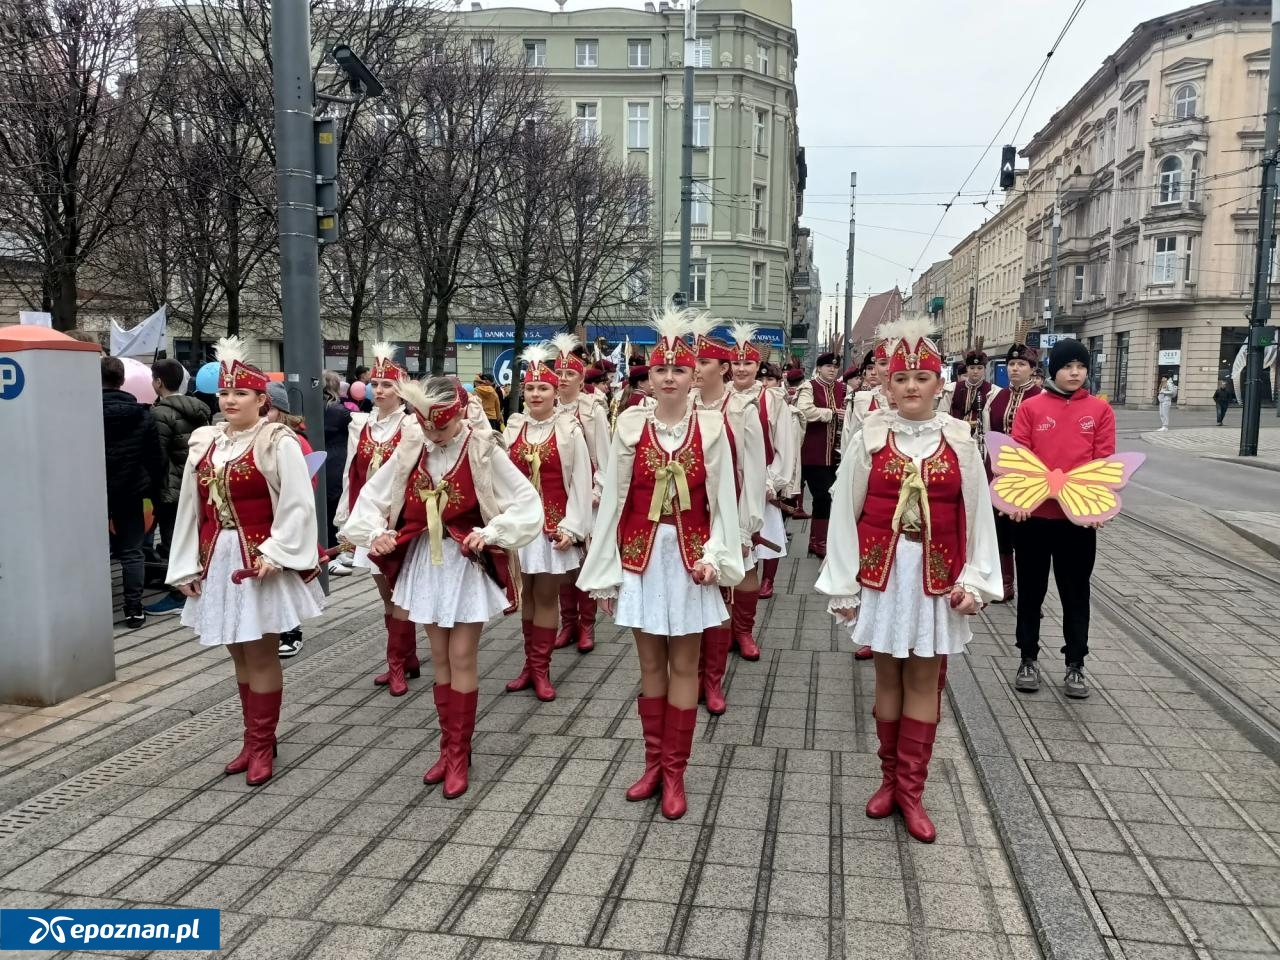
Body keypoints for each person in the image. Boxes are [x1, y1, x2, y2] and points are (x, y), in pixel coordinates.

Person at [817, 320, 1001, 843]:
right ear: (887, 386)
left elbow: (977, 514)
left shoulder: (962, 441)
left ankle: (912, 791)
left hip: (937, 578)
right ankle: (888, 781)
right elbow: (844, 512)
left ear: (939, 383)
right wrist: (845, 585)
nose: (913, 387)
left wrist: (976, 580)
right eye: (902, 378)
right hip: (882, 577)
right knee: (887, 679)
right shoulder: (870, 438)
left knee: (923, 679)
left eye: (923, 377)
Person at [341, 377, 542, 798]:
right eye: (427, 425)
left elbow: (526, 503)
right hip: (426, 565)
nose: (434, 434)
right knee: (440, 657)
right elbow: (372, 498)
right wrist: (376, 532)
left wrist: (492, 532)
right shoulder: (413, 448)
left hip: (465, 565)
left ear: (461, 415)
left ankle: (458, 752)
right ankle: (450, 747)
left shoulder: (482, 449)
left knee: (462, 654)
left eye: (442, 427)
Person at [579, 311, 744, 819]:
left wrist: (717, 557)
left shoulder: (713, 428)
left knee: (683, 666)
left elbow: (724, 503)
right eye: (659, 371)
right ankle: (653, 763)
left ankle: (676, 771)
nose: (669, 377)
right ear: (648, 379)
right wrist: (604, 570)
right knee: (650, 665)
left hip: (691, 559)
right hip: (641, 559)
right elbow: (613, 503)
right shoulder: (629, 426)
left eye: (679, 369)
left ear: (695, 376)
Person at [165, 338, 325, 785]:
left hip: (260, 560)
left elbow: (297, 503)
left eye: (240, 394)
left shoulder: (277, 440)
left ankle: (262, 743)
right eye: (224, 394)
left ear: (261, 401)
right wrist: (185, 565)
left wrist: (277, 551)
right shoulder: (208, 442)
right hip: (219, 559)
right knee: (237, 652)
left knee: (260, 652)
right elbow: (190, 509)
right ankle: (254, 740)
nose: (230, 401)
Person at [1009, 339, 1116, 700]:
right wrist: (1018, 501)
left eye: (1081, 367)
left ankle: (1076, 663)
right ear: (1054, 369)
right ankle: (1027, 657)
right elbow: (1017, 458)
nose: (1074, 373)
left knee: (1075, 592)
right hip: (1034, 517)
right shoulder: (1032, 408)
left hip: (1077, 521)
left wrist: (1096, 509)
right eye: (1068, 366)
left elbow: (1103, 463)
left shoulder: (1099, 411)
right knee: (1031, 590)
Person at [502, 345, 593, 701]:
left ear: (556, 392)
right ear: (522, 391)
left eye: (543, 388)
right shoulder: (513, 429)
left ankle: (541, 669)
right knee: (526, 597)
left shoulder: (569, 430)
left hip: (553, 530)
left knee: (545, 597)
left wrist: (573, 528)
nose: (536, 394)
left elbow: (580, 483)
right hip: (522, 528)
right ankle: (529, 665)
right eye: (530, 388)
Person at [689, 318, 765, 714]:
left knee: (721, 594)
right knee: (693, 593)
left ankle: (713, 680)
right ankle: (690, 672)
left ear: (722, 368)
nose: (696, 368)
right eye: (694, 360)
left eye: (704, 361)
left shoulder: (741, 410)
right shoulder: (681, 406)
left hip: (728, 512)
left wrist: (745, 526)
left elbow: (753, 469)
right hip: (688, 515)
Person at [333, 344, 417, 686]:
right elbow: (350, 475)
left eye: (388, 385)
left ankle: (399, 662)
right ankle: (403, 658)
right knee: (385, 592)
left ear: (401, 389)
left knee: (401, 590)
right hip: (369, 520)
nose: (380, 391)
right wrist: (347, 519)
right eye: (376, 385)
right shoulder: (360, 425)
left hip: (398, 521)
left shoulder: (412, 427)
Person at [727, 323, 795, 654]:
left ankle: (744, 631)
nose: (741, 369)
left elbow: (784, 445)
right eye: (736, 363)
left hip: (759, 490)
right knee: (725, 558)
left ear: (758, 366)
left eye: (748, 364)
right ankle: (723, 627)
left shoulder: (772, 399)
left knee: (750, 560)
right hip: (724, 492)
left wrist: (772, 483)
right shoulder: (717, 397)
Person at [549, 334, 612, 654]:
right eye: (558, 373)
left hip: (588, 494)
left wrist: (598, 488)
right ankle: (568, 622)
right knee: (563, 562)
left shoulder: (592, 410)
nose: (562, 379)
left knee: (585, 560)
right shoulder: (547, 406)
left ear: (581, 377)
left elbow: (605, 454)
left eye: (569, 373)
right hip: (557, 494)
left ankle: (586, 626)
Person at [146, 358, 211, 617]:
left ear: (159, 382)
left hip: (171, 487)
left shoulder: (159, 413)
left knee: (174, 539)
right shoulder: (200, 408)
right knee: (193, 536)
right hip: (196, 480)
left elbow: (157, 457)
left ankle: (179, 594)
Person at [102, 357, 165, 628]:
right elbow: (155, 458)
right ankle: (134, 607)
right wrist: (151, 488)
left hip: (93, 492)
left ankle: (90, 604)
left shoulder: (81, 412)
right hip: (131, 490)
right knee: (132, 551)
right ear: (121, 380)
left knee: (91, 551)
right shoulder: (143, 414)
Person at [982, 344, 1042, 603]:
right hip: (998, 473)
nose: (1015, 369)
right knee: (1000, 530)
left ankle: (1032, 594)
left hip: (1029, 477)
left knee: (1028, 537)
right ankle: (1005, 584)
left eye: (1021, 365)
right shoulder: (997, 398)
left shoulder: (1041, 398)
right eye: (1012, 365)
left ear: (1032, 369)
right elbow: (988, 434)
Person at [795, 352, 845, 559]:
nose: (832, 370)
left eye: (835, 367)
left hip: (836, 453)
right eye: (827, 366)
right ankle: (818, 541)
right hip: (813, 453)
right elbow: (804, 410)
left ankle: (820, 540)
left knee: (831, 497)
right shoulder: (809, 387)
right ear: (819, 368)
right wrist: (831, 413)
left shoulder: (843, 388)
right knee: (822, 496)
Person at [322, 370, 353, 571]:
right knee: (334, 506)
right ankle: (333, 553)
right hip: (337, 460)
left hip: (322, 459)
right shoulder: (339, 411)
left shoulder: (313, 408)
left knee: (326, 506)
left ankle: (335, 550)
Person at [950, 350, 994, 452]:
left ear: (984, 370)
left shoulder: (993, 391)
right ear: (967, 368)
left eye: (979, 368)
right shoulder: (952, 389)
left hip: (980, 441)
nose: (975, 371)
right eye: (972, 368)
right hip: (956, 438)